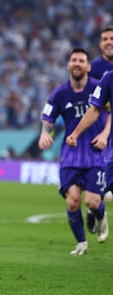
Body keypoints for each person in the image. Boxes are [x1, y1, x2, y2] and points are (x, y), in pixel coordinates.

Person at [39, 47, 109, 256]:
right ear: (69, 65)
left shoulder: (100, 87)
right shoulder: (60, 93)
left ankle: (100, 215)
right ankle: (81, 243)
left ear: (88, 66)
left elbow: (110, 113)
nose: (77, 63)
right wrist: (44, 133)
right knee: (72, 201)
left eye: (81, 60)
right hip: (71, 154)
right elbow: (48, 118)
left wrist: (105, 134)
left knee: (92, 201)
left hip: (95, 151)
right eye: (74, 60)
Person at [85, 25, 113, 232]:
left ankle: (96, 203)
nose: (109, 42)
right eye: (105, 39)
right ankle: (95, 206)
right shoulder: (93, 68)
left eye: (112, 38)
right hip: (98, 128)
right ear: (100, 43)